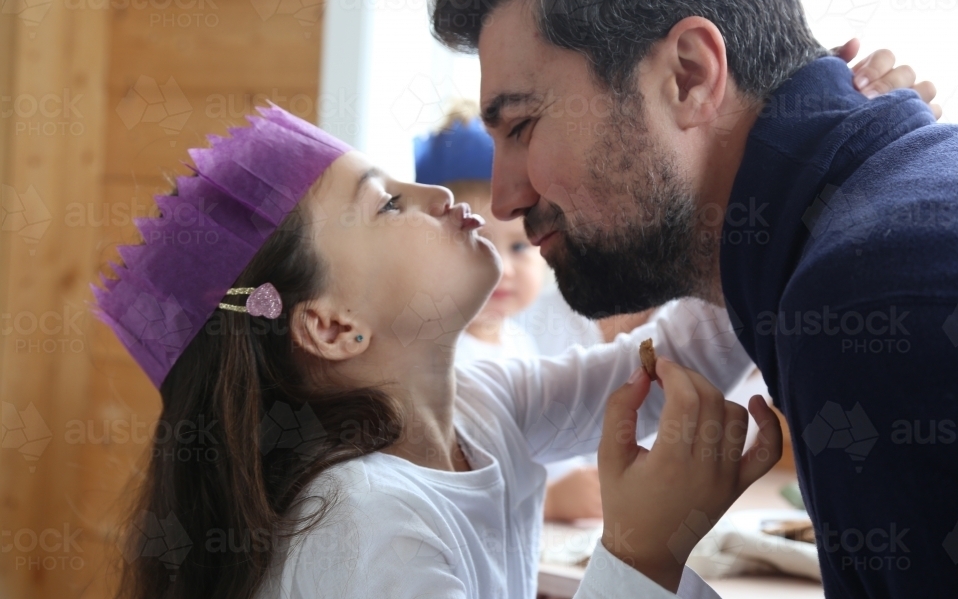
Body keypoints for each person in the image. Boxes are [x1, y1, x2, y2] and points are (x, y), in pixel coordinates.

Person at [430, 0, 958, 597]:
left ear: (691, 75)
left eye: (522, 125)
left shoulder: (874, 301)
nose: (504, 198)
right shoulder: (881, 225)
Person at [94, 104, 780, 599]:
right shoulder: (363, 525)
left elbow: (656, 369)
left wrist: (773, 200)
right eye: (388, 204)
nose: (438, 193)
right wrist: (641, 552)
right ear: (333, 328)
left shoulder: (484, 402)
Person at [415, 101, 546, 364]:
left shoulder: (521, 344)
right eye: (478, 245)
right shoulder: (431, 353)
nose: (503, 269)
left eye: (519, 247)